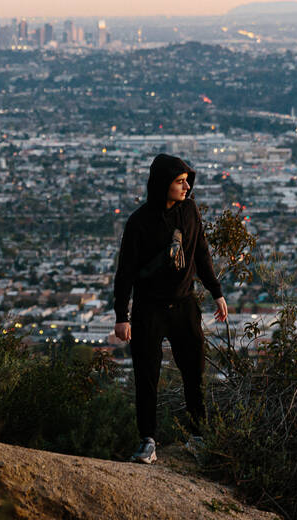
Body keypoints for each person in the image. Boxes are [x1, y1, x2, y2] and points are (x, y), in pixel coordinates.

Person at [113, 153, 228, 464]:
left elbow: (201, 252)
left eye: (187, 180)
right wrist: (121, 316)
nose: (186, 186)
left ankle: (199, 435)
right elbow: (125, 271)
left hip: (184, 305)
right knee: (146, 375)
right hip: (149, 309)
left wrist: (216, 292)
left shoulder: (189, 211)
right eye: (180, 181)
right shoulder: (139, 222)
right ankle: (147, 441)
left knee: (194, 372)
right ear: (163, 183)